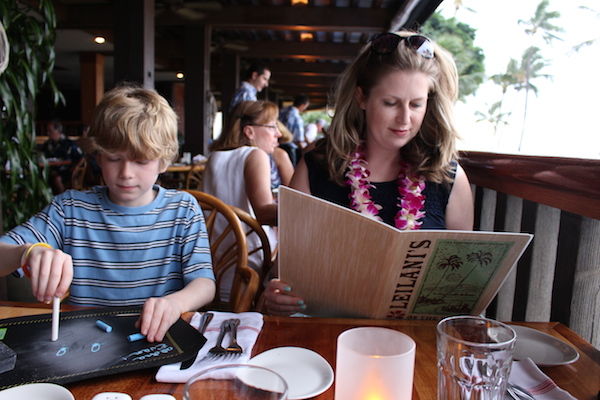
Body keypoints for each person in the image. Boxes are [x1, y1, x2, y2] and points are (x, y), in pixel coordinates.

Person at [262, 31, 475, 316]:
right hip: (330, 334)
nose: (404, 119)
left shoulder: (447, 177)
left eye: (416, 104)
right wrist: (278, 296)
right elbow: (286, 270)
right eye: (390, 103)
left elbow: (462, 283)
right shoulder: (315, 169)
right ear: (362, 97)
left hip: (416, 341)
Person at [0, 84, 216, 342]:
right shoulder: (70, 210)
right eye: (114, 158)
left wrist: (175, 303)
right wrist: (28, 252)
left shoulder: (183, 210)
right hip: (84, 342)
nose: (126, 172)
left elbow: (204, 283)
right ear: (98, 156)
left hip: (157, 340)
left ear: (164, 160)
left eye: (141, 160)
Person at [202, 100, 280, 301]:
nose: (278, 133)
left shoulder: (214, 156)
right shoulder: (255, 155)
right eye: (272, 126)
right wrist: (308, 211)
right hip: (247, 270)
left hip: (214, 267)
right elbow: (263, 212)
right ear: (249, 131)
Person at [41, 119, 84, 194]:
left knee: (56, 178)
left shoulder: (69, 144)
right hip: (49, 170)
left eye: (50, 131)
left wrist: (75, 168)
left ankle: (63, 201)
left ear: (57, 131)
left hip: (67, 171)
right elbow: (41, 156)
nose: (47, 133)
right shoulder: (47, 144)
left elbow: (81, 158)